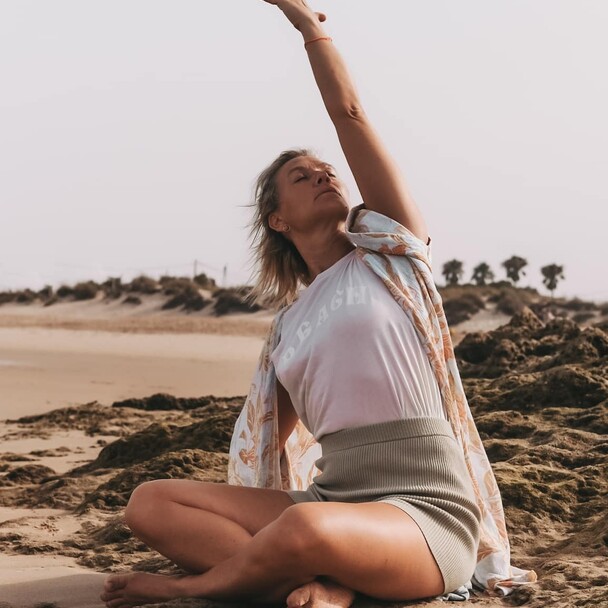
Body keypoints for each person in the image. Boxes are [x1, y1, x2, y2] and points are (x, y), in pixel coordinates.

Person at [101, 2, 536, 606]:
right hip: (332, 502)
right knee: (151, 501)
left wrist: (310, 27)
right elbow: (266, 445)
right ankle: (322, 584)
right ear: (277, 219)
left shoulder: (392, 259)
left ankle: (204, 589)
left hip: (424, 514)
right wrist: (249, 509)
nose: (324, 176)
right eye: (302, 177)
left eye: (327, 170)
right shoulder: (289, 327)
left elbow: (350, 114)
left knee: (302, 529)